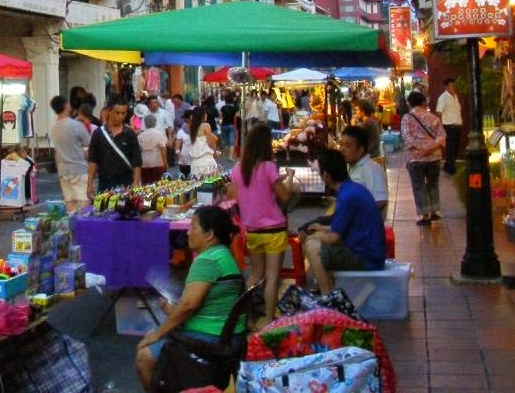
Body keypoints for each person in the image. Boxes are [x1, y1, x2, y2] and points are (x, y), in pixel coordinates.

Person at [135, 206, 247, 391]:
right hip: (228, 334)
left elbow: (189, 305)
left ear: (209, 234)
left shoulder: (207, 260)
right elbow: (200, 303)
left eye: (193, 227)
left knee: (144, 356)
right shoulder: (223, 255)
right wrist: (173, 310)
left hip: (212, 338)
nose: (188, 233)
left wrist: (157, 334)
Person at [227, 125, 294, 324]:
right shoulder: (268, 167)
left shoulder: (238, 170)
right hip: (274, 230)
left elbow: (242, 195)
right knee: (272, 278)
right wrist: (289, 177)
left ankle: (244, 316)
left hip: (252, 230)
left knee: (255, 275)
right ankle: (268, 319)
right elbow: (285, 195)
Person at [303, 149, 386, 294]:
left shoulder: (346, 197)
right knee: (317, 240)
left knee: (312, 245)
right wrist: (322, 228)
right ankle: (331, 289)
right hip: (370, 250)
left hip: (365, 256)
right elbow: (344, 226)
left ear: (326, 175)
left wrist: (315, 235)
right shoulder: (352, 189)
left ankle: (327, 295)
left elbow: (334, 237)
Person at [401, 90, 446, 225]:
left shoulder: (407, 118)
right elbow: (442, 135)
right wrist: (430, 147)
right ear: (423, 102)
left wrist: (420, 148)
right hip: (434, 157)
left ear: (410, 104)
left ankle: (424, 215)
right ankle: (435, 211)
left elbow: (406, 137)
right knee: (433, 184)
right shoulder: (434, 118)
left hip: (415, 157)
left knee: (418, 186)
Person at [87, 94, 143, 194]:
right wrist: (90, 183)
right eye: (117, 113)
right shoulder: (98, 134)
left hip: (126, 182)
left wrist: (136, 182)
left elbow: (137, 162)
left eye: (123, 113)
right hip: (105, 182)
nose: (120, 116)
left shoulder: (130, 134)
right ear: (109, 110)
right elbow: (93, 161)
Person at [49, 95, 91, 212]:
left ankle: (72, 227)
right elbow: (88, 142)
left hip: (62, 169)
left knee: (70, 202)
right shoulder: (75, 125)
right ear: (66, 106)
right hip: (78, 167)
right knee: (84, 200)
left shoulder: (53, 128)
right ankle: (83, 226)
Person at [338, 124, 388, 216]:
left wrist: (354, 212)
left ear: (361, 149)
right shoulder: (350, 166)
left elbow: (381, 201)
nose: (342, 149)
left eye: (348, 145)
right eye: (341, 144)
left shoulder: (372, 170)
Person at [435, 77, 463, 175]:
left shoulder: (455, 96)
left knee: (455, 147)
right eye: (451, 86)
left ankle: (448, 165)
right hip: (449, 126)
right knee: (451, 148)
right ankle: (450, 168)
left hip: (457, 125)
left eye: (454, 86)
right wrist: (442, 126)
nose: (453, 88)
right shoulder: (443, 98)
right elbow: (439, 112)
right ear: (446, 87)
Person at [137, 113, 168, 184]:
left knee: (146, 184)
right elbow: (163, 148)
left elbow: (139, 150)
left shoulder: (140, 136)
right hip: (157, 162)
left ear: (145, 123)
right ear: (155, 122)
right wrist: (165, 161)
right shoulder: (159, 134)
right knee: (158, 183)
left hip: (144, 163)